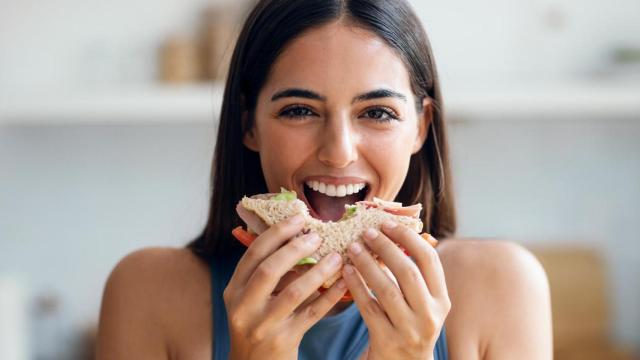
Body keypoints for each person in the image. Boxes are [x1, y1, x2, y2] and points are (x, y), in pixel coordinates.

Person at [96, 0, 553, 359]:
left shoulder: (501, 286)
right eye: (299, 110)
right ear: (248, 126)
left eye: (377, 112)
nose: (338, 151)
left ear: (420, 127)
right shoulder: (147, 292)